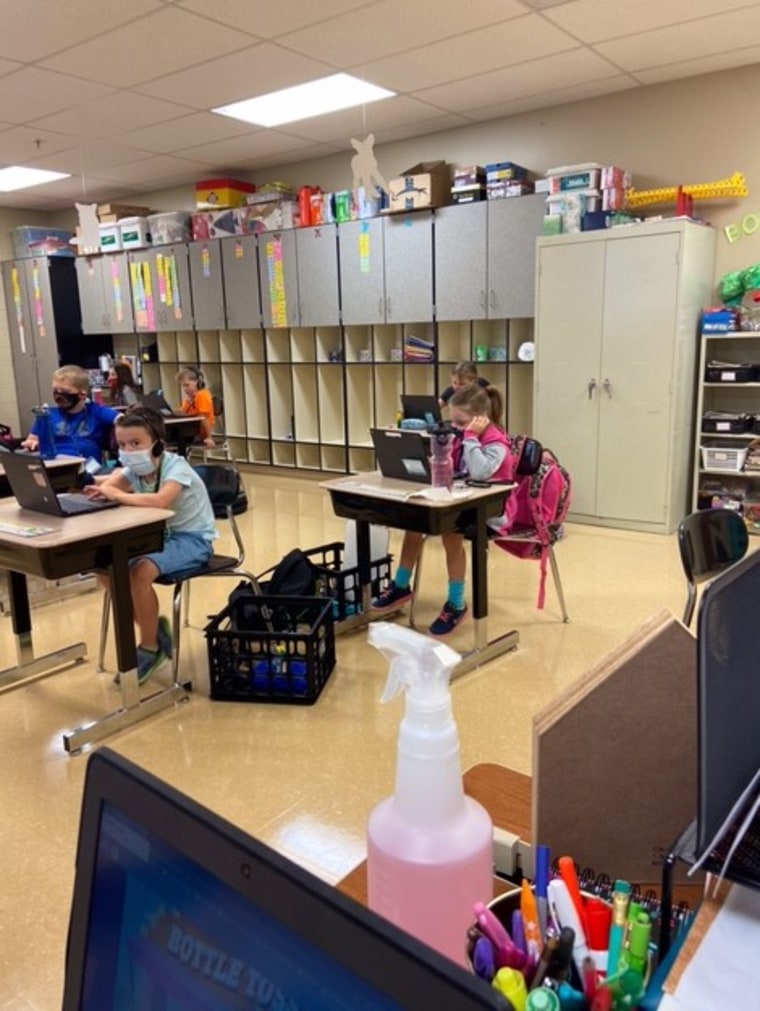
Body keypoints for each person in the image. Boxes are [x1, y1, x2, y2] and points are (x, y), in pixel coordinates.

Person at [85, 406, 218, 684]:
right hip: (158, 538)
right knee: (106, 568)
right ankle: (153, 632)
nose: (128, 450)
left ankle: (149, 647)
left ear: (157, 444)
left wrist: (113, 493)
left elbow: (160, 500)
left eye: (136, 443)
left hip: (192, 540)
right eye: (122, 444)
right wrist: (99, 490)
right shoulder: (133, 469)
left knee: (140, 572)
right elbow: (110, 486)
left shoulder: (175, 466)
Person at [373, 384, 512, 637]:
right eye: (453, 421)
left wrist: (470, 438)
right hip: (460, 500)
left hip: (490, 510)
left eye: (462, 422)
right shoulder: (459, 433)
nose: (455, 428)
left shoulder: (496, 442)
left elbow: (480, 471)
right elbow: (447, 459)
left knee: (451, 533)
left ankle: (456, 603)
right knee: (414, 525)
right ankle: (401, 585)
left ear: (482, 419)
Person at [21, 364, 119, 462]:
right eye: (55, 390)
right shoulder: (47, 415)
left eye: (64, 391)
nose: (59, 395)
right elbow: (32, 439)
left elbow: (122, 419)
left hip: (88, 469)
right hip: (56, 468)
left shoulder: (95, 411)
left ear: (82, 395)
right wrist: (31, 443)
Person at [176, 366, 215, 448]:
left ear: (198, 383)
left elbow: (204, 418)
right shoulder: (189, 398)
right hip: (189, 431)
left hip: (198, 434)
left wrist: (209, 437)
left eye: (187, 385)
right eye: (183, 386)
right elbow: (182, 413)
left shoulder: (202, 395)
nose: (185, 389)